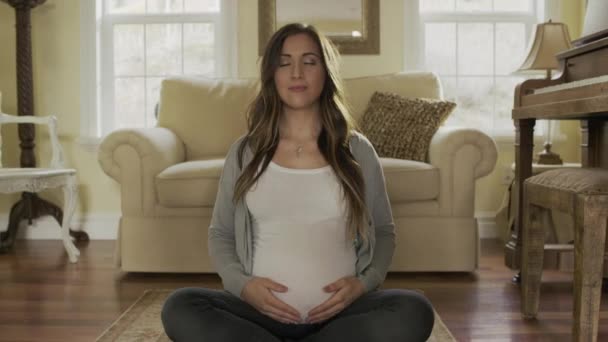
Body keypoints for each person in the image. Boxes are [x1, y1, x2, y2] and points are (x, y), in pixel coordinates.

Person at [161, 23, 435, 342]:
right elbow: (221, 233)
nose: (296, 73)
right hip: (259, 318)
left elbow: (385, 231)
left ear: (326, 72)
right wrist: (244, 286)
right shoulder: (245, 152)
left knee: (414, 310)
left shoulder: (358, 151)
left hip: (341, 318)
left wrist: (363, 284)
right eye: (284, 62)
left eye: (309, 61)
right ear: (272, 75)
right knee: (181, 306)